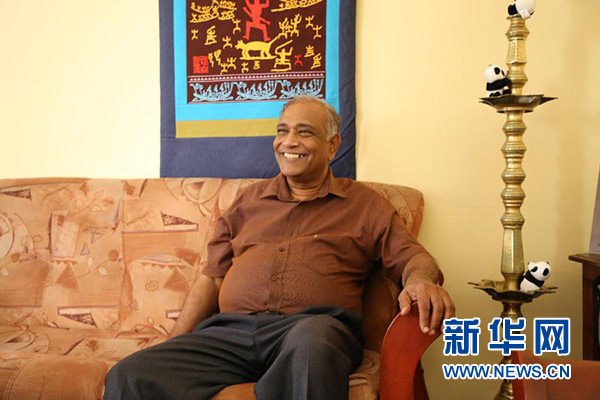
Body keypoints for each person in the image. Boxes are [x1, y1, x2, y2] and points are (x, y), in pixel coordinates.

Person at [104, 95, 455, 400]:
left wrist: (420, 281)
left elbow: (413, 257)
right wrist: (174, 345)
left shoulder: (364, 204)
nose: (289, 141)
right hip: (231, 334)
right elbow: (211, 279)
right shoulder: (247, 202)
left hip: (314, 330)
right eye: (282, 130)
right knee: (131, 374)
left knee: (311, 346)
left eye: (305, 132)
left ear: (333, 145)